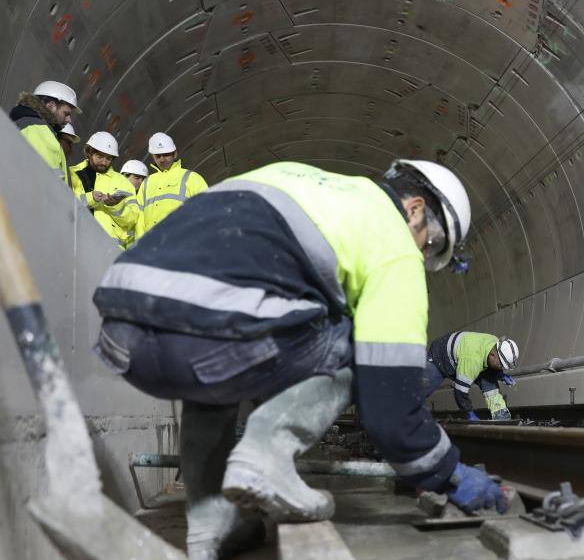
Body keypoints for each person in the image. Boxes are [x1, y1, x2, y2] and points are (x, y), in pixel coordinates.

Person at [92, 159, 508, 558]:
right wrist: (449, 473)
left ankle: (211, 526)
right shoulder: (393, 242)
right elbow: (391, 409)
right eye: (432, 244)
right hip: (207, 326)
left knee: (215, 383)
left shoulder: (304, 182)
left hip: (123, 324)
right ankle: (265, 458)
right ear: (414, 208)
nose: (422, 255)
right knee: (361, 340)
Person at [67, 132, 139, 249]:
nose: (104, 162)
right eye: (100, 157)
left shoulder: (123, 182)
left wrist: (115, 206)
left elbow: (132, 220)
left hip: (110, 249)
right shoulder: (73, 174)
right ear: (89, 153)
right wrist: (91, 198)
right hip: (78, 245)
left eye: (109, 159)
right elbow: (64, 204)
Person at [424, 332, 519, 420]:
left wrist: (501, 375)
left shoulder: (495, 343)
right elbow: (460, 392)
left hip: (467, 354)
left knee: (490, 377)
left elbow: (493, 367)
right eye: (500, 365)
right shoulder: (472, 361)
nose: (500, 368)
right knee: (421, 390)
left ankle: (500, 413)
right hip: (440, 355)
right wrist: (470, 414)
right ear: (492, 355)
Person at [135, 132, 207, 239]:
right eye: (158, 156)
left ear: (175, 154)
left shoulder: (192, 178)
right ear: (153, 157)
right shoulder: (147, 182)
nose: (162, 159)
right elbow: (139, 218)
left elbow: (206, 211)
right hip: (151, 247)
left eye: (166, 154)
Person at [9, 80, 80, 178]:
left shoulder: (23, 123)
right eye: (66, 114)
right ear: (51, 106)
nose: (69, 120)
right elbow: (47, 181)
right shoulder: (39, 131)